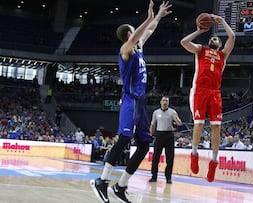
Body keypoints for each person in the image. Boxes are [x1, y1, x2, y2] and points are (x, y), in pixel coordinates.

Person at [90, 1, 172, 203]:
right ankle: (101, 181)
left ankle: (121, 186)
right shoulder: (125, 48)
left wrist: (158, 16)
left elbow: (149, 30)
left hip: (141, 102)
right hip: (130, 100)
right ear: (129, 34)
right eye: (134, 32)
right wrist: (149, 17)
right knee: (125, 138)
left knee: (144, 145)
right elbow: (140, 33)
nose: (138, 33)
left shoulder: (138, 47)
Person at [180, 14, 235, 182]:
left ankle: (214, 161)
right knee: (199, 123)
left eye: (216, 38)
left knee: (216, 128)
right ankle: (194, 154)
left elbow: (232, 36)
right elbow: (183, 42)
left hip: (214, 92)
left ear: (219, 44)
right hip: (200, 90)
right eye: (212, 37)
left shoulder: (223, 55)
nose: (214, 39)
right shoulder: (200, 50)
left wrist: (222, 21)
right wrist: (198, 31)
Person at [148, 96, 182, 184]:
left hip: (169, 135)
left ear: (168, 102)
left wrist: (176, 119)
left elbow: (179, 123)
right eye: (163, 100)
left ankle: (168, 177)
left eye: (167, 100)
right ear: (160, 102)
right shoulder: (156, 112)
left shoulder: (172, 112)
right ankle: (154, 176)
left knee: (170, 157)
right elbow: (153, 124)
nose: (165, 102)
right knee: (156, 157)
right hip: (159, 134)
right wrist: (150, 134)